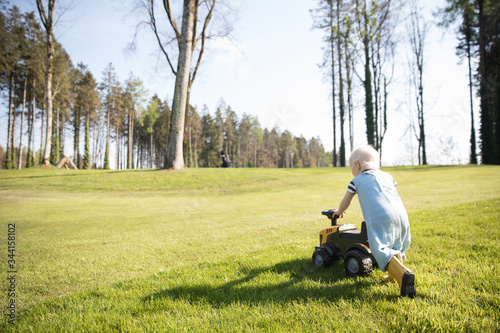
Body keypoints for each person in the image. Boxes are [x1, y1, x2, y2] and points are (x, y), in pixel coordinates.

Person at [333, 145, 416, 298]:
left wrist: (340, 212)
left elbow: (347, 200)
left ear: (357, 165)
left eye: (352, 168)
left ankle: (403, 275)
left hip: (381, 216)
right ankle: (393, 275)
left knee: (380, 248)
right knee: (395, 244)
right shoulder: (387, 176)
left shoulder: (356, 180)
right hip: (401, 214)